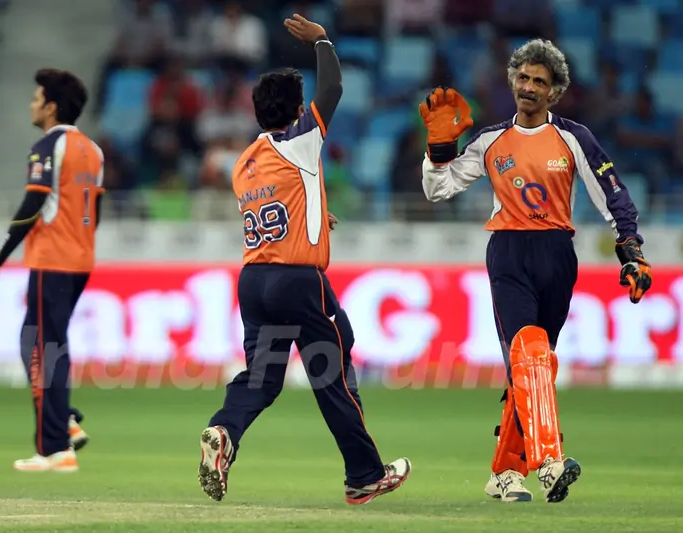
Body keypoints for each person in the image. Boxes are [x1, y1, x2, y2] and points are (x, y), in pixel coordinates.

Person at [419, 39, 653, 503]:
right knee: (529, 351)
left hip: (556, 256)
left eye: (539, 82)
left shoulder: (573, 138)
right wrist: (437, 150)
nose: (528, 87)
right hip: (508, 252)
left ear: (555, 92)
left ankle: (505, 473)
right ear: (512, 81)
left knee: (534, 368)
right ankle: (549, 460)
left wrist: (631, 250)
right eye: (523, 78)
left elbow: (612, 193)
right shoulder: (490, 141)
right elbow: (437, 189)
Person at [197, 14, 411, 505]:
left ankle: (224, 431)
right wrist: (323, 42)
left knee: (262, 378)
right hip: (297, 279)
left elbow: (279, 199)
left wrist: (317, 208)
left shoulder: (244, 162)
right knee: (332, 373)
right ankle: (365, 474)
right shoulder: (301, 140)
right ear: (297, 110)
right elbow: (333, 90)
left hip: (254, 281)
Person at [0, 69, 106, 472]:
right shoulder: (94, 150)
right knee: (48, 345)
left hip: (51, 259)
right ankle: (63, 423)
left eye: (37, 98)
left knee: (39, 348)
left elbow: (32, 205)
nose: (32, 104)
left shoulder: (48, 145)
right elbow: (95, 213)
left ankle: (53, 447)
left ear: (51, 106)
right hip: (80, 260)